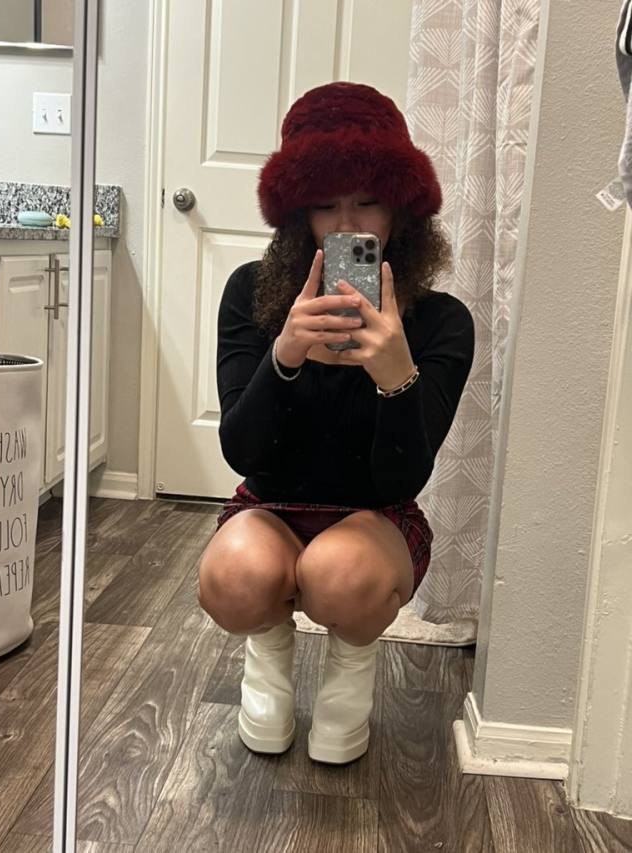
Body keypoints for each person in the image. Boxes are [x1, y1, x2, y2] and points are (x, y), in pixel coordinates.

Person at [198, 81, 475, 765]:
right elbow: (243, 451)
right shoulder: (250, 295)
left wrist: (396, 375)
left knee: (341, 572)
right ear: (298, 215)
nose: (349, 222)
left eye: (368, 200)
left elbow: (400, 478)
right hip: (270, 505)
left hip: (374, 518)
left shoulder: (440, 322)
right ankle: (268, 664)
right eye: (325, 204)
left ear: (401, 208)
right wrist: (285, 357)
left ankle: (350, 679)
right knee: (232, 575)